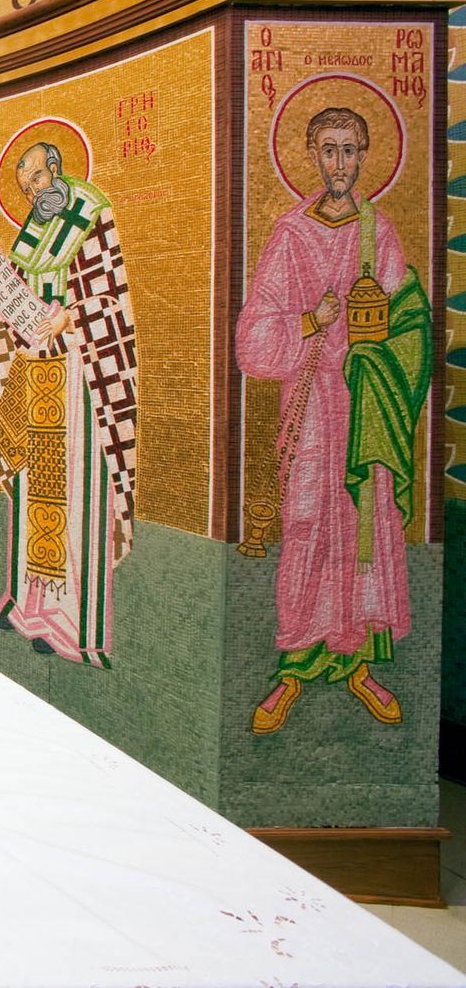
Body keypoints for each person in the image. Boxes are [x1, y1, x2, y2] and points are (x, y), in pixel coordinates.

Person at [236, 106, 430, 732]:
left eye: (351, 151)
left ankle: (359, 664)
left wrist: (380, 350)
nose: (340, 164)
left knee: (366, 525)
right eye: (329, 151)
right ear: (313, 157)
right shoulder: (290, 233)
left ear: (365, 156)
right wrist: (311, 323)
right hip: (312, 405)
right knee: (307, 521)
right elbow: (253, 336)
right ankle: (294, 666)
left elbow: (411, 320)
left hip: (367, 405)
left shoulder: (381, 232)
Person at [0, 141, 139, 665]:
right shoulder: (33, 232)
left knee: (75, 498)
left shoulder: (90, 213)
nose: (35, 192)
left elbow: (111, 297)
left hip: (81, 380)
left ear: (56, 169)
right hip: (37, 376)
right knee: (36, 492)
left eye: (38, 179)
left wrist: (71, 317)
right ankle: (32, 605)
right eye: (26, 187)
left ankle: (73, 625)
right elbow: (16, 300)